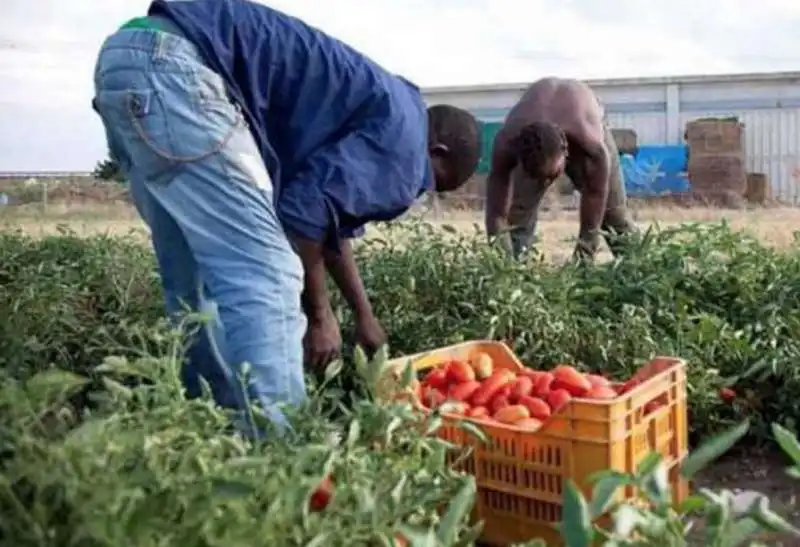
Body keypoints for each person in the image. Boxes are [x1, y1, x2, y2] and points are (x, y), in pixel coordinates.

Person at [91, 0, 481, 430]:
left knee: (194, 279)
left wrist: (363, 316)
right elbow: (304, 214)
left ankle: (208, 431)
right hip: (181, 69)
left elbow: (328, 221)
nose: (415, 191)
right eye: (430, 182)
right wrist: (321, 317)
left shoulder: (390, 111)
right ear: (436, 153)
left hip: (131, 56)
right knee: (270, 277)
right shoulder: (407, 151)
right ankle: (283, 459)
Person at [484, 77, 637, 261]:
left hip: (585, 117)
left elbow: (595, 198)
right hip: (535, 131)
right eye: (538, 176)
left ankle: (639, 270)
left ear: (566, 150)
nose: (546, 184)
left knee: (614, 215)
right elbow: (496, 214)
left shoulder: (592, 145)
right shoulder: (507, 142)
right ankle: (515, 275)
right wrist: (501, 263)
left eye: (550, 177)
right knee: (516, 219)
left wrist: (583, 259)